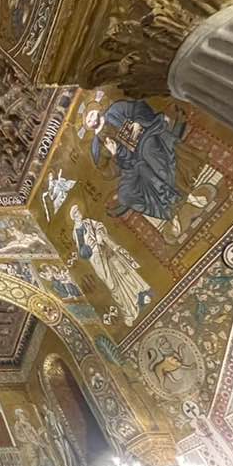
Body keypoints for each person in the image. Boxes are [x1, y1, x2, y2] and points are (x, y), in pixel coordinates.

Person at [84, 100, 207, 232]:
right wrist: (114, 155)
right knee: (125, 195)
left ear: (97, 109)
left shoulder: (116, 110)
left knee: (150, 155)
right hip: (130, 166)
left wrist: (138, 122)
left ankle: (187, 196)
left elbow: (139, 107)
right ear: (88, 126)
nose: (92, 119)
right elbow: (107, 171)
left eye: (91, 114)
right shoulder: (96, 146)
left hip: (144, 140)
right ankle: (169, 212)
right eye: (88, 121)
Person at [70, 204, 152, 326]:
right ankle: (129, 312)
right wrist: (91, 247)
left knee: (123, 271)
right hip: (97, 259)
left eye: (78, 211)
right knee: (112, 285)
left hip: (106, 249)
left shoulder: (88, 222)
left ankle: (140, 296)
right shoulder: (77, 231)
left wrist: (99, 234)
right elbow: (83, 251)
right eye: (77, 213)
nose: (79, 213)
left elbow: (99, 226)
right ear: (74, 217)